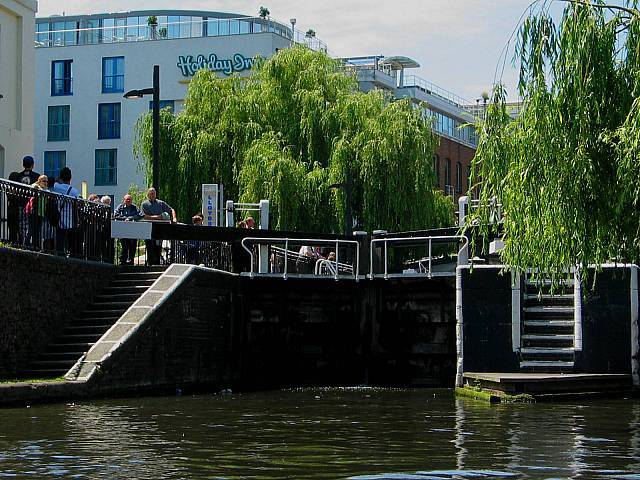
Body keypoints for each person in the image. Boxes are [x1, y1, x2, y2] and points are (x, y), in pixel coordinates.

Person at [7, 156, 40, 244]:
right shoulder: (36, 177)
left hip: (20, 206)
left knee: (22, 226)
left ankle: (22, 242)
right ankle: (30, 244)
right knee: (33, 226)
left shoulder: (18, 176)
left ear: (23, 164)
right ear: (32, 165)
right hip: (32, 206)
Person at [141, 188, 176, 265]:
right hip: (149, 229)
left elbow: (171, 210)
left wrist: (174, 218)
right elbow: (145, 216)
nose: (153, 195)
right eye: (151, 194)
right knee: (150, 247)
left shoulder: (160, 203)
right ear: (148, 195)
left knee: (158, 247)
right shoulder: (144, 204)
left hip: (160, 229)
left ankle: (157, 264)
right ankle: (150, 264)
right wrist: (159, 217)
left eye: (154, 193)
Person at [52, 167, 80, 256]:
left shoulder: (56, 187)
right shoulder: (74, 191)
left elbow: (52, 181)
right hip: (70, 220)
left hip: (59, 218)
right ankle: (72, 256)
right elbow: (77, 205)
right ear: (70, 178)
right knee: (72, 242)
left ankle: (60, 255)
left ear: (61, 177)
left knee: (60, 241)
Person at [114, 194, 143, 265]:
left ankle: (131, 262)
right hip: (123, 230)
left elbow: (141, 215)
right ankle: (123, 262)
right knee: (124, 246)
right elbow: (116, 215)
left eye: (129, 199)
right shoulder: (120, 207)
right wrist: (124, 219)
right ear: (124, 200)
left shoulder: (135, 207)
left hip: (133, 230)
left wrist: (130, 218)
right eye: (127, 199)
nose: (128, 201)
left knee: (132, 246)